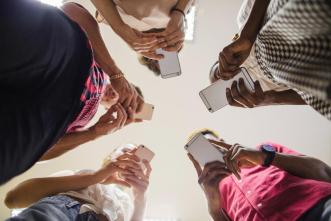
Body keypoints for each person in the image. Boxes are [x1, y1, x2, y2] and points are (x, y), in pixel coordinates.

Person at [0, 1, 143, 184]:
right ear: (126, 86)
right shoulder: (101, 65)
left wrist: (94, 133)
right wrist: (115, 73)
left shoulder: (87, 121)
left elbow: (42, 152)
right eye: (124, 95)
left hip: (51, 117)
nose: (115, 98)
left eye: (121, 105)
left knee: (13, 153)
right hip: (65, 61)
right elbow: (71, 9)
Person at [211, 0, 331, 120]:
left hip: (293, 17)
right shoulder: (263, 93)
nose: (225, 77)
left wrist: (247, 35)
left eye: (218, 71)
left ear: (219, 59)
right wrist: (271, 98)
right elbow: (312, 94)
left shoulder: (244, 18)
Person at [187, 129, 331, 221]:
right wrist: (213, 207)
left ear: (222, 141)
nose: (209, 148)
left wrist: (266, 157)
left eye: (210, 142)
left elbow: (324, 173)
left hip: (319, 209)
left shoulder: (263, 149)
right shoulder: (217, 197)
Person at [4, 145, 151, 221]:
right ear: (110, 157)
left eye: (137, 155)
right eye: (125, 151)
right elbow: (13, 199)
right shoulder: (76, 175)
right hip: (62, 211)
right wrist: (95, 177)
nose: (130, 157)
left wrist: (141, 197)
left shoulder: (129, 205)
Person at [91, 0, 193, 75]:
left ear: (147, 56)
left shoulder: (126, 26)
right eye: (167, 56)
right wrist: (180, 13)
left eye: (157, 58)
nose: (162, 52)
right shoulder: (180, 15)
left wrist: (119, 27)